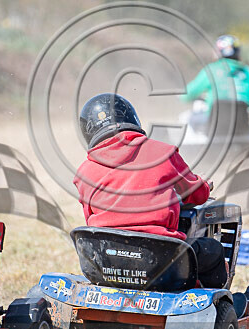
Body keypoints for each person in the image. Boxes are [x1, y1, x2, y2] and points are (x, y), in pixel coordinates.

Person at [73, 93, 228, 289]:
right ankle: (208, 298)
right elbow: (197, 194)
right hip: (163, 260)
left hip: (106, 263)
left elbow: (90, 220)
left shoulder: (83, 173)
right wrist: (204, 185)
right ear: (131, 118)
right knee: (213, 250)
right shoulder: (163, 152)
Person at [182, 34, 249, 131]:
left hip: (215, 129)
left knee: (186, 116)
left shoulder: (211, 70)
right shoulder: (248, 71)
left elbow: (186, 95)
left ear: (217, 52)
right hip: (243, 128)